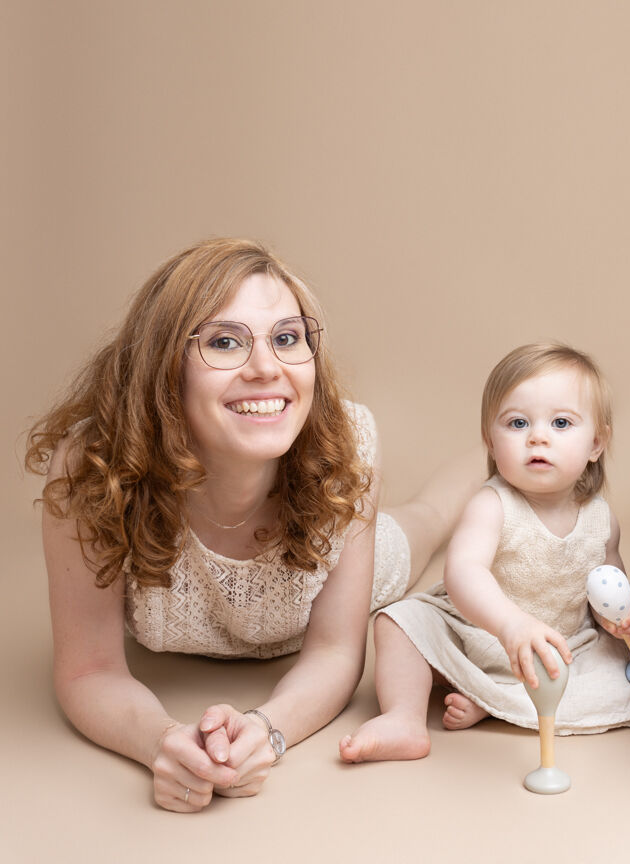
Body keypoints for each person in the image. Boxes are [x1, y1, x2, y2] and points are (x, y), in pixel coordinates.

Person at [26, 238, 477, 812]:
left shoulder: (351, 445)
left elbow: (336, 653)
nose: (267, 368)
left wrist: (268, 730)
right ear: (163, 367)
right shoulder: (95, 467)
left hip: (335, 577)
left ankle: (492, 453)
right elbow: (89, 668)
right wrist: (163, 743)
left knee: (430, 517)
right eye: (224, 342)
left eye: (287, 338)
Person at [340, 343, 630, 763]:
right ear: (490, 440)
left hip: (560, 647)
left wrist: (620, 616)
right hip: (479, 632)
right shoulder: (492, 505)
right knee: (398, 623)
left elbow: (603, 591)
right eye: (518, 423)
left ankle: (492, 700)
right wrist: (509, 626)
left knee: (624, 675)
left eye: (561, 423)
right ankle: (404, 717)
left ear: (596, 443)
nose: (538, 436)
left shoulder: (601, 520)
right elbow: (464, 572)